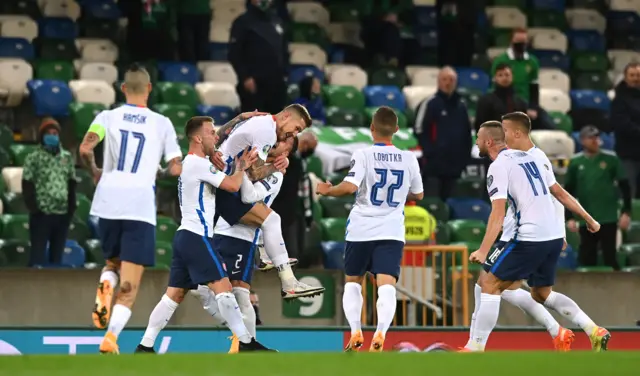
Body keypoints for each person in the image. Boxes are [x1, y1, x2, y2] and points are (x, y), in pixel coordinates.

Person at [463, 119, 610, 352]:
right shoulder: (535, 156)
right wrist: (587, 219)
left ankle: (474, 348)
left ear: (489, 141)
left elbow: (497, 213)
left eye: (479, 140)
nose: (477, 143)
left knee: (488, 284)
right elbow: (558, 194)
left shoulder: (499, 166)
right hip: (550, 236)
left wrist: (483, 249)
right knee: (540, 293)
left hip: (524, 236)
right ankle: (591, 329)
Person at [136, 116, 272, 353]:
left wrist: (240, 121)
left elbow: (220, 172)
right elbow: (231, 186)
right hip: (197, 236)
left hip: (185, 236)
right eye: (210, 132)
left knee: (173, 296)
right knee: (224, 288)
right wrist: (241, 168)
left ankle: (145, 345)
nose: (215, 136)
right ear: (198, 138)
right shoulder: (199, 164)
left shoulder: (194, 163)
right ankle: (246, 342)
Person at [78, 64, 184, 354]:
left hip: (107, 201)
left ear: (123, 89)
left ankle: (105, 282)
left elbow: (85, 149)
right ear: (149, 89)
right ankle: (110, 338)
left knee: (113, 262)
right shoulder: (161, 123)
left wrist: (96, 171)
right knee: (131, 285)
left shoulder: (106, 116)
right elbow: (175, 166)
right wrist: (168, 168)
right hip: (138, 204)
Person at [316, 106, 424, 352]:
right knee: (386, 284)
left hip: (361, 228)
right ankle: (380, 333)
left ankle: (355, 331)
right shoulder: (409, 158)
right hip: (392, 229)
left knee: (353, 281)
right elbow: (418, 193)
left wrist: (328, 190)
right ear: (396, 130)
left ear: (372, 128)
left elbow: (350, 186)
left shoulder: (363, 154)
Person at [213, 104, 325, 299]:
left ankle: (271, 259)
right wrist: (276, 167)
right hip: (224, 187)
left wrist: (239, 117)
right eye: (296, 128)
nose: (294, 133)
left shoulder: (257, 123)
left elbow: (220, 135)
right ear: (287, 116)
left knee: (230, 291)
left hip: (222, 183)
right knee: (272, 220)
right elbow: (253, 173)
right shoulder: (267, 132)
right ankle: (288, 282)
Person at [216, 136, 297, 353]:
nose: (278, 145)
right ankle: (243, 339)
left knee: (240, 293)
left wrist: (242, 169)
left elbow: (249, 196)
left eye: (283, 146)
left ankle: (246, 343)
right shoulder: (256, 156)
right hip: (223, 228)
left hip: (243, 235)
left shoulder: (277, 175)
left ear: (285, 155)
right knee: (207, 287)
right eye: (279, 140)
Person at [565, 125, 632, 270]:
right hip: (585, 219)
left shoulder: (611, 159)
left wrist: (626, 212)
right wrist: (569, 216)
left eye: (596, 137)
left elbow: (625, 186)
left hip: (608, 217)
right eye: (591, 138)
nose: (595, 141)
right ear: (582, 140)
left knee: (610, 256)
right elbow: (568, 192)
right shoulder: (576, 163)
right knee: (587, 257)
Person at [22, 118, 76, 266]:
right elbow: (27, 184)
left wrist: (71, 209)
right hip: (42, 215)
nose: (52, 136)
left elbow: (71, 183)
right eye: (49, 133)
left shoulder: (67, 157)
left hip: (62, 215)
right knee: (37, 257)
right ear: (42, 136)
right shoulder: (33, 157)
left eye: (55, 133)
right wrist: (34, 209)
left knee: (56, 259)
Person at [414, 66, 472, 201]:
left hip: (456, 167)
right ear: (438, 82)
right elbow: (419, 129)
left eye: (451, 79)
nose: (448, 82)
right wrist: (430, 152)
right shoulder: (430, 103)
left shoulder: (462, 105)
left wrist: (465, 158)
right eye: (444, 79)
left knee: (451, 204)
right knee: (433, 203)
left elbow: (467, 133)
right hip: (434, 166)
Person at [268, 131, 318, 268]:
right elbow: (304, 191)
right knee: (286, 249)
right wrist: (307, 213)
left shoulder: (295, 162)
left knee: (288, 250)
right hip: (283, 210)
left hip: (282, 210)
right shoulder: (295, 163)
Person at [229, 0, 288, 114]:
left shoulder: (277, 21)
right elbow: (234, 53)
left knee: (276, 124)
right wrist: (245, 77)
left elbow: (284, 51)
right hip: (254, 82)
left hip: (277, 83)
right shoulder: (242, 22)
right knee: (254, 124)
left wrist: (285, 74)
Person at [611, 62, 640, 197]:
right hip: (628, 155)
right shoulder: (619, 99)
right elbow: (622, 125)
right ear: (625, 77)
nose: (635, 78)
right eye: (632, 75)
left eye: (638, 75)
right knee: (629, 193)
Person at [474, 64, 528, 132]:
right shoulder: (485, 101)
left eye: (507, 75)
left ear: (512, 77)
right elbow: (479, 126)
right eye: (500, 75)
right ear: (495, 78)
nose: (504, 78)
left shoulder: (521, 103)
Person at [491, 28, 539, 104]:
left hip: (525, 103)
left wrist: (534, 107)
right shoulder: (500, 60)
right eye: (518, 41)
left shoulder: (532, 61)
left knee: (544, 116)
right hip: (504, 102)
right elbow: (495, 86)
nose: (521, 44)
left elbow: (534, 86)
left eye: (523, 41)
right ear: (511, 41)